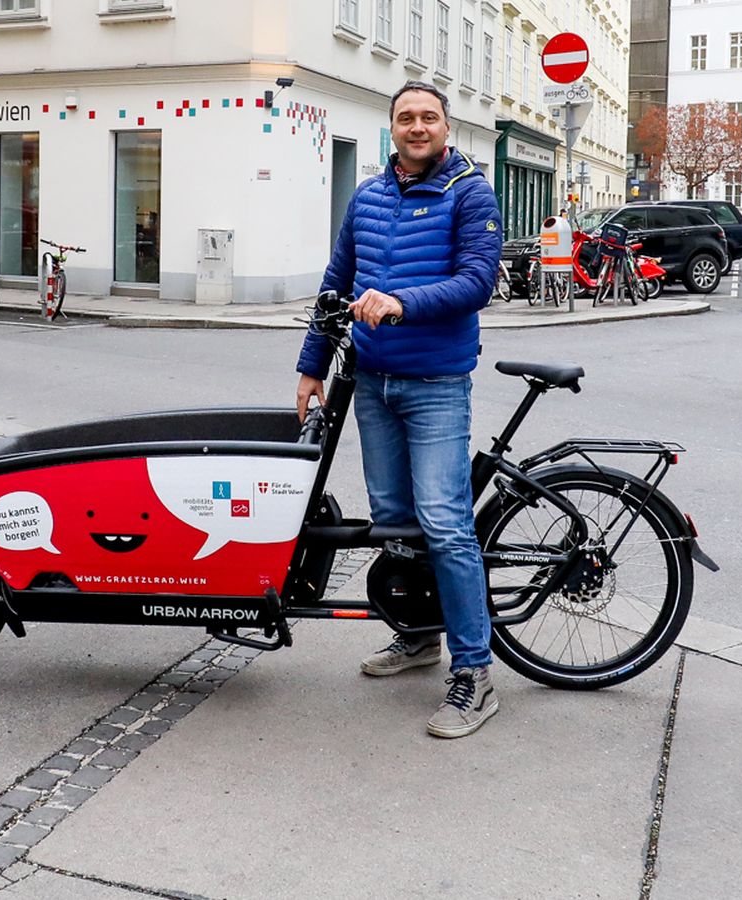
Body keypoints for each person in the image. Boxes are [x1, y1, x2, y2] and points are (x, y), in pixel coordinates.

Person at [294, 81, 504, 739]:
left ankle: (475, 673)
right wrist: (311, 366)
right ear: (393, 128)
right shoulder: (367, 196)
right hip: (374, 382)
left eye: (429, 117)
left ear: (447, 126)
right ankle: (418, 637)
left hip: (436, 382)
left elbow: (477, 280)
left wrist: (401, 302)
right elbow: (335, 285)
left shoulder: (470, 191)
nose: (417, 127)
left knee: (443, 522)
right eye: (406, 118)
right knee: (394, 523)